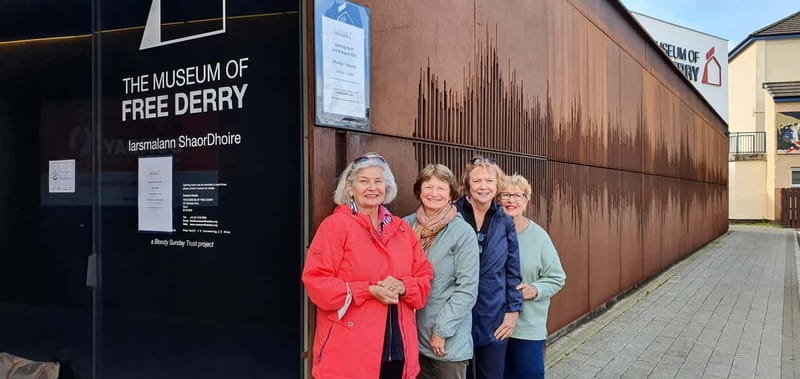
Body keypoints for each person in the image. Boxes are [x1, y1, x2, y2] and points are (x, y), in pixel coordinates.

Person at [302, 153, 433, 379]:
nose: (372, 187)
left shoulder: (401, 229)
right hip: (349, 353)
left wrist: (403, 286)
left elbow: (424, 277)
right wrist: (367, 290)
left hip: (398, 350)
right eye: (364, 181)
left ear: (387, 187)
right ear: (350, 188)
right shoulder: (335, 226)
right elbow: (317, 283)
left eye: (378, 181)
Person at [403, 164, 480, 379]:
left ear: (451, 194)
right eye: (428, 187)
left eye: (441, 188)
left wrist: (441, 331)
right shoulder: (405, 226)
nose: (434, 193)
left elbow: (467, 289)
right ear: (419, 190)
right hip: (411, 335)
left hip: (446, 340)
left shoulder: (462, 232)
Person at [454, 156, 523, 379]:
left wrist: (513, 313)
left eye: (489, 181)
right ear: (468, 184)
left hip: (494, 313)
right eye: (477, 181)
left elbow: (513, 271)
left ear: (497, 185)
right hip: (457, 313)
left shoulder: (504, 220)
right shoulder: (452, 214)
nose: (483, 186)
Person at [498, 174, 566, 379]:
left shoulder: (538, 236)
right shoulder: (491, 232)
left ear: (526, 201)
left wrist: (536, 289)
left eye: (518, 195)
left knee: (529, 374)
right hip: (494, 325)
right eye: (506, 195)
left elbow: (556, 277)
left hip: (527, 328)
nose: (512, 200)